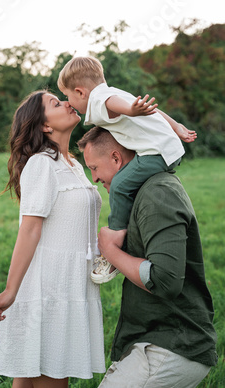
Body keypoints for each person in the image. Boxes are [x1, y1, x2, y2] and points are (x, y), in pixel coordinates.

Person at [77, 126, 218, 388]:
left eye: (94, 168)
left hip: (174, 345)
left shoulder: (157, 194)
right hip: (155, 338)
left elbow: (165, 280)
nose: (94, 178)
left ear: (116, 158)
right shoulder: (144, 191)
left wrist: (111, 252)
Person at [0, 91, 105, 388]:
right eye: (55, 103)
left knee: (28, 378)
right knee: (51, 375)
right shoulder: (42, 164)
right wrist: (11, 290)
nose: (67, 102)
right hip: (49, 288)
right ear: (44, 126)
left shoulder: (73, 164)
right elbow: (29, 229)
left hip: (70, 283)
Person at [58, 55, 197, 284]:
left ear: (80, 92)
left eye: (68, 96)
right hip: (167, 149)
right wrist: (176, 127)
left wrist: (131, 110)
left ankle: (115, 238)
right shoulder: (115, 92)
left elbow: (112, 104)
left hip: (157, 153)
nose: (69, 102)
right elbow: (154, 111)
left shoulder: (99, 100)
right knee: (126, 181)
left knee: (120, 184)